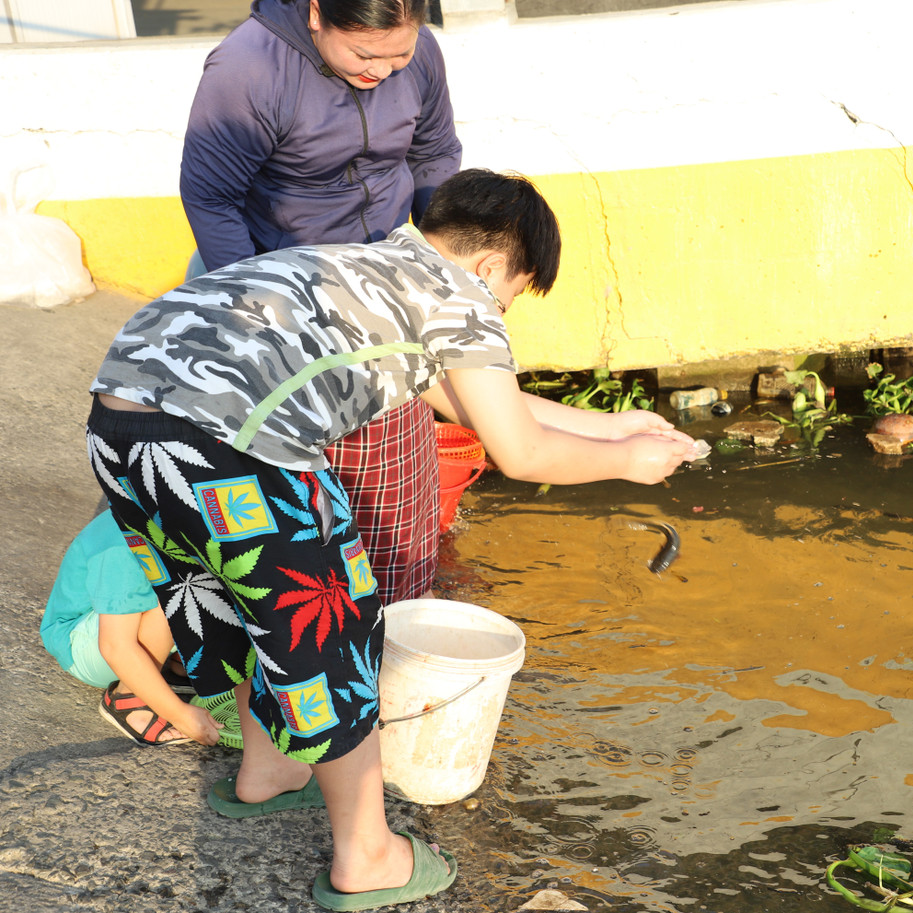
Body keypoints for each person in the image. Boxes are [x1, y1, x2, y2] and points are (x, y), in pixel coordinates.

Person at [88, 169, 693, 910]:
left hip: (122, 428)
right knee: (332, 622)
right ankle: (368, 856)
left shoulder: (368, 265)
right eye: (510, 298)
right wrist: (628, 464)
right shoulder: (462, 298)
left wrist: (612, 426)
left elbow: (469, 402)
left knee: (238, 602)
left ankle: (269, 771)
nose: (500, 313)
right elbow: (522, 452)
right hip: (230, 446)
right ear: (490, 267)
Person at [180, 0, 463, 609]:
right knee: (260, 483)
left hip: (374, 283)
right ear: (316, 14)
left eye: (399, 54)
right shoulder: (249, 69)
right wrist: (263, 310)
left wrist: (440, 265)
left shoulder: (419, 56)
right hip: (266, 280)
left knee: (384, 474)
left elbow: (434, 154)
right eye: (364, 54)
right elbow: (211, 198)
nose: (382, 71)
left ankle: (384, 611)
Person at [40, 510, 240, 748]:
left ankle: (178, 664)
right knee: (178, 592)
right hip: (85, 646)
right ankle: (128, 697)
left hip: (121, 629)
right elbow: (115, 647)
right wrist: (179, 714)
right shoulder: (121, 544)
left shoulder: (173, 514)